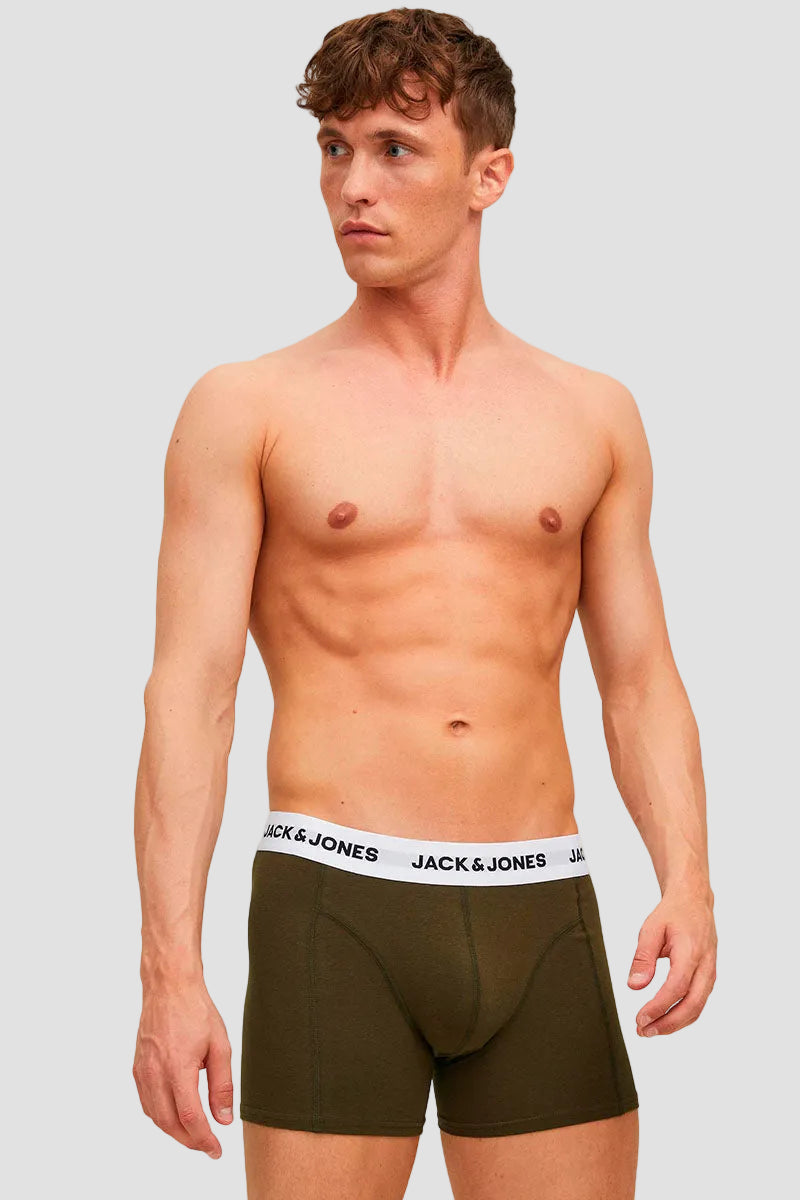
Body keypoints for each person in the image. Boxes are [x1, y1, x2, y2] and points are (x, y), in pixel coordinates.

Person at [132, 9, 717, 1199]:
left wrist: (688, 878)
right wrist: (168, 973)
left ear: (487, 175)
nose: (353, 185)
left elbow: (636, 679)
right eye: (334, 149)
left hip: (540, 901)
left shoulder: (590, 413)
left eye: (395, 149)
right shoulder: (247, 406)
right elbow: (190, 696)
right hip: (333, 905)